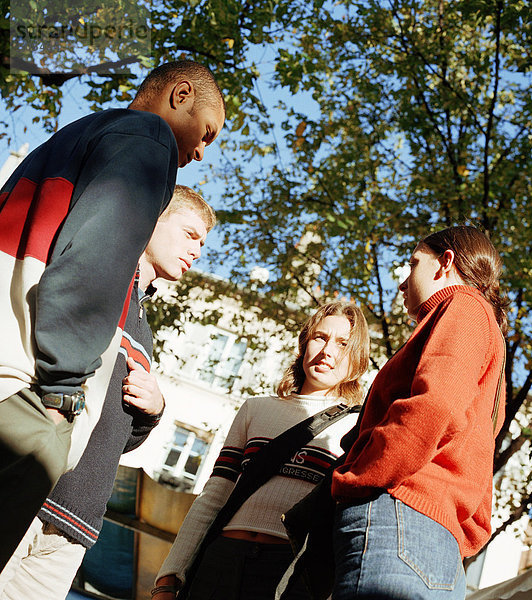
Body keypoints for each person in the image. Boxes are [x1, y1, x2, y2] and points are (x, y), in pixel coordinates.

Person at [0, 60, 226, 570]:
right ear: (180, 94)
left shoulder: (78, 136)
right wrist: (63, 389)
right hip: (27, 389)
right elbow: (91, 263)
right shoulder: (148, 140)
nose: (200, 152)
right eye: (206, 132)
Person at [0, 185, 216, 599]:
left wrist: (154, 410)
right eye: (190, 234)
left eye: (203, 243)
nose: (197, 252)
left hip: (75, 524)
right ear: (154, 220)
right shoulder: (98, 277)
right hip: (32, 489)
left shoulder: (144, 331)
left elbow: (120, 438)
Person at [331, 225, 508, 600]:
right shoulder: (487, 331)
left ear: (446, 263)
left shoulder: (464, 305)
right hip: (436, 539)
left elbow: (435, 404)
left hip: (399, 515)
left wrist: (359, 477)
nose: (402, 282)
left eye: (413, 264)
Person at [152, 301, 371, 600]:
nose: (328, 351)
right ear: (304, 343)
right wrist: (169, 577)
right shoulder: (255, 409)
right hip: (220, 561)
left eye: (343, 343)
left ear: (357, 359)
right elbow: (215, 493)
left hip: (288, 575)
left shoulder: (359, 428)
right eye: (320, 337)